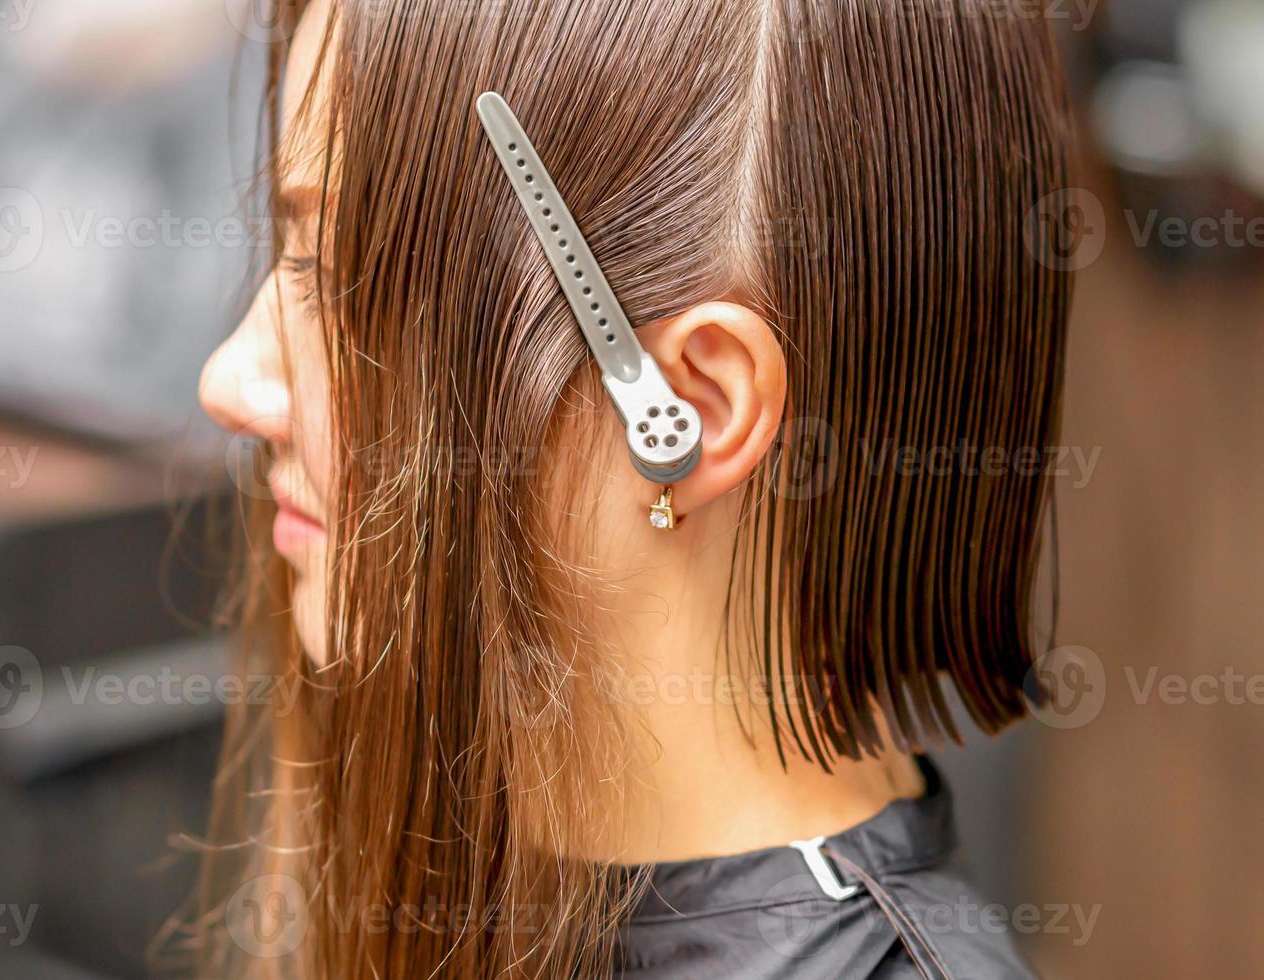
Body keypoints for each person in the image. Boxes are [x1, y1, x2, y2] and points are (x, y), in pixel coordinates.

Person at [194, 0, 1074, 975]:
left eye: (343, 275)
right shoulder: (442, 844)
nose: (229, 382)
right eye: (291, 246)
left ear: (685, 411)